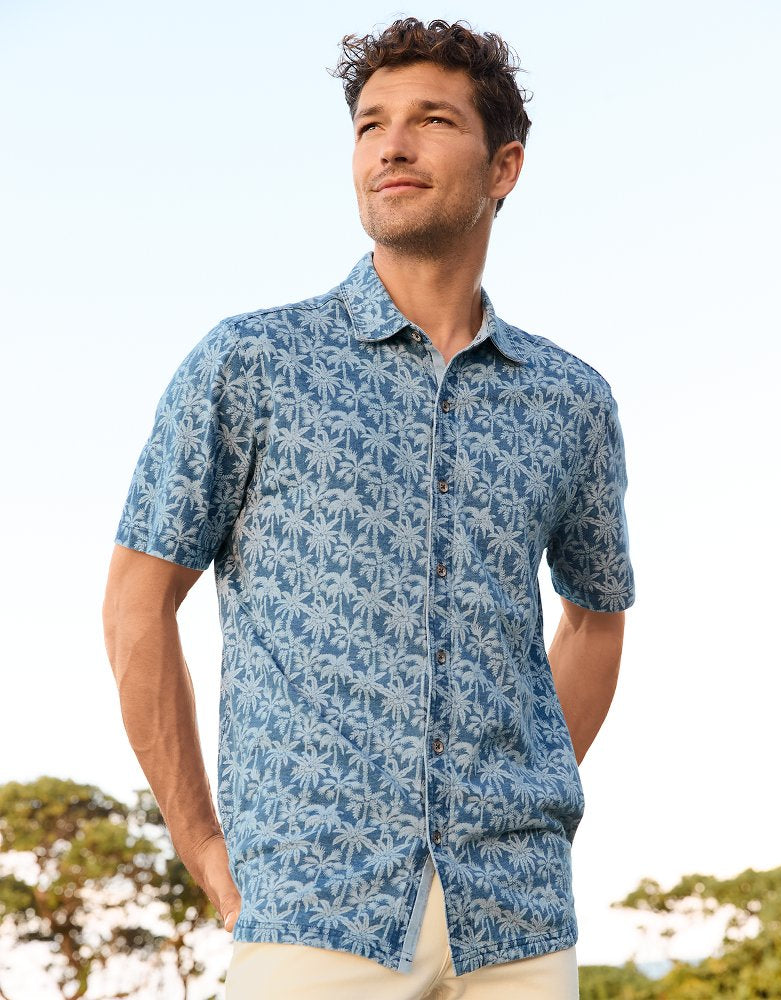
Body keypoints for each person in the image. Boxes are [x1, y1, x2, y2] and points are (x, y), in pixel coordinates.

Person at [102, 16, 635, 1000]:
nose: (391, 145)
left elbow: (596, 619)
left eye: (432, 120)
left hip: (515, 924)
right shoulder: (251, 362)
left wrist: (512, 796)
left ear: (504, 167)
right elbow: (139, 596)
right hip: (312, 910)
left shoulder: (571, 401)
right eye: (369, 124)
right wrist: (201, 839)